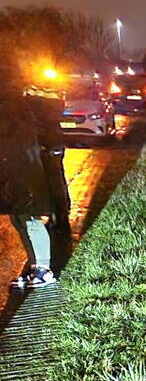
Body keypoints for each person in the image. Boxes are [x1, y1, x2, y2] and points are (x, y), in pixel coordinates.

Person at [0, 67, 68, 289]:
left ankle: (43, 269)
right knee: (19, 219)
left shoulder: (15, 108)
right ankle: (34, 266)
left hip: (24, 171)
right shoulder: (15, 106)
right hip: (14, 170)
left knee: (29, 219)